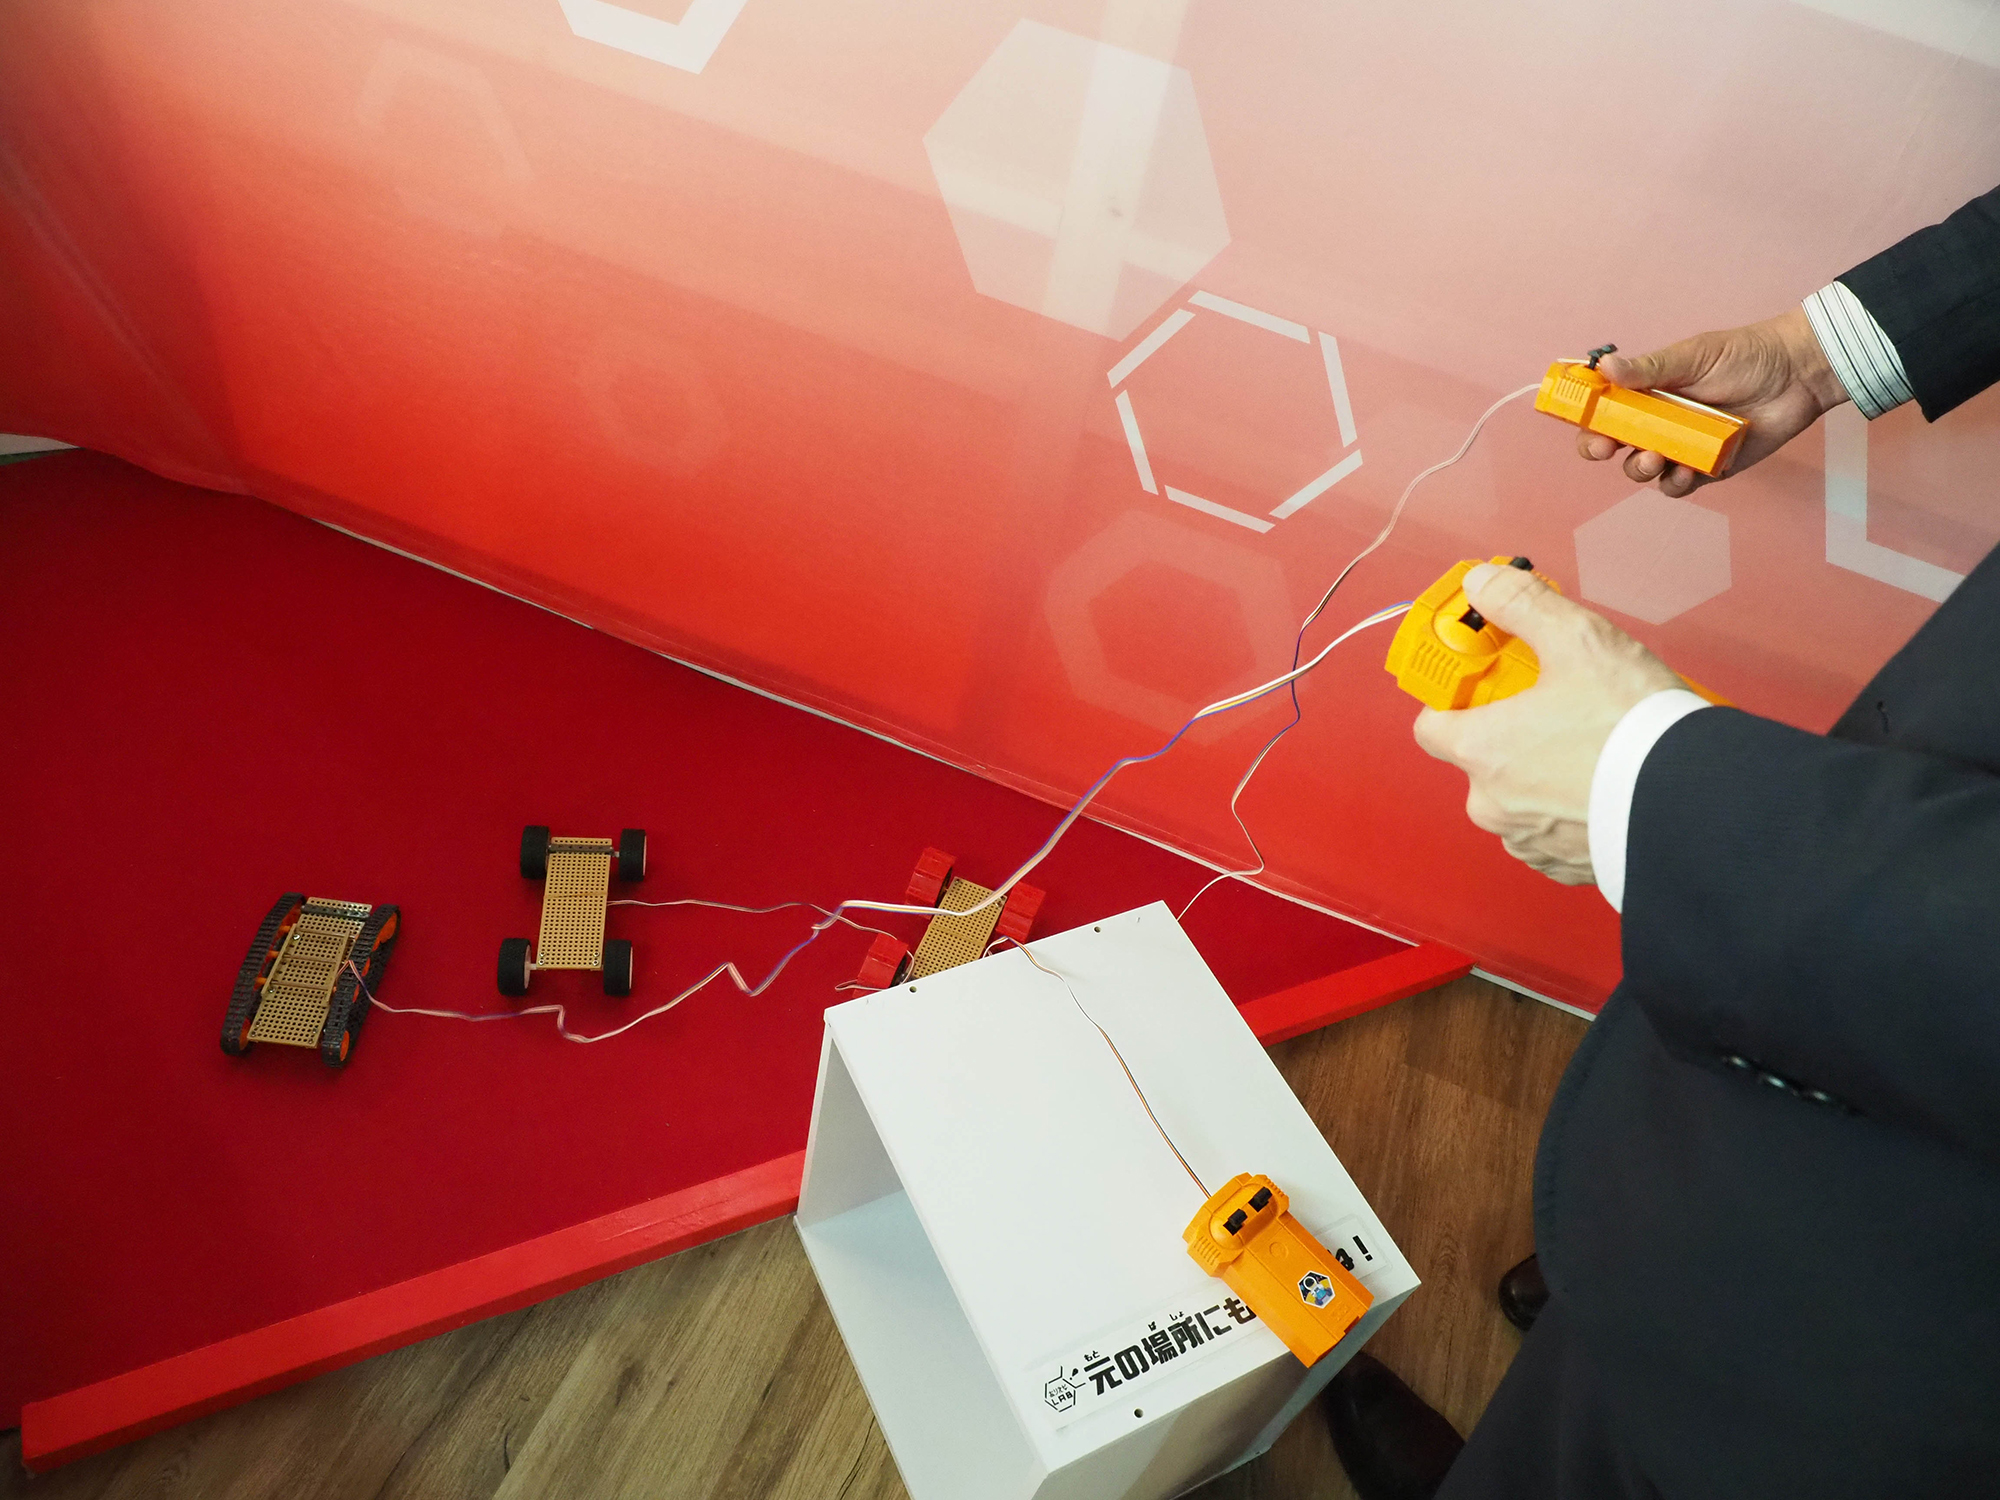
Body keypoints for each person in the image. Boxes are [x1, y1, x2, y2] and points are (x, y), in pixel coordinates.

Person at [1321, 186, 2000, 1500]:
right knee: (1624, 1322)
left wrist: (1650, 790)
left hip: (1913, 1347)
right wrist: (1827, 351)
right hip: (1797, 1101)